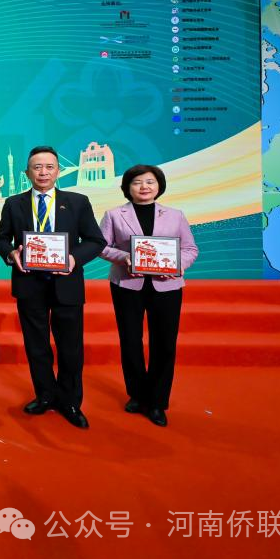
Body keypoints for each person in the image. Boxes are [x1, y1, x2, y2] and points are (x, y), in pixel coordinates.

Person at [0, 146, 106, 429]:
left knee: (70, 347)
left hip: (67, 284)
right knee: (36, 345)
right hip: (29, 284)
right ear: (27, 172)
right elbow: (1, 239)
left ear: (57, 171)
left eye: (49, 167)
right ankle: (44, 395)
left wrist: (73, 259)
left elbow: (95, 240)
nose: (43, 172)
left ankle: (70, 401)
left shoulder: (77, 202)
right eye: (37, 167)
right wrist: (11, 254)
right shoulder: (14, 203)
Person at [99, 164, 198, 427]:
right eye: (137, 182)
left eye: (150, 182)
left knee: (164, 343)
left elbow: (190, 249)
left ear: (159, 186)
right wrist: (125, 257)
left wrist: (176, 265)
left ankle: (157, 401)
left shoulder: (175, 215)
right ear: (127, 187)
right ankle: (137, 394)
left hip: (167, 286)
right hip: (127, 285)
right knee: (130, 341)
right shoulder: (114, 215)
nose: (144, 187)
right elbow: (101, 246)